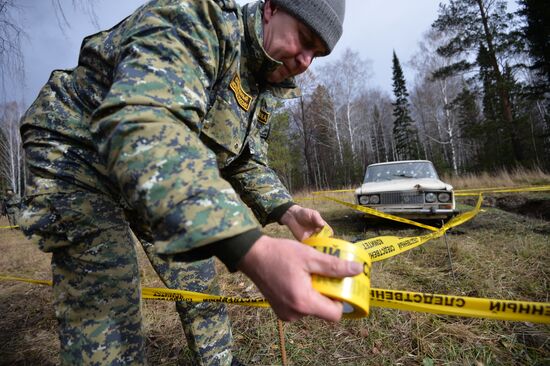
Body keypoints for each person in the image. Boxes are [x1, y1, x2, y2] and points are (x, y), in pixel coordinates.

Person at [19, 0, 360, 365]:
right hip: (78, 150)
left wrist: (286, 209)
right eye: (304, 39)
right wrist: (253, 250)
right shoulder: (197, 19)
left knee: (197, 279)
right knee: (110, 297)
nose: (306, 61)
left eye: (316, 54)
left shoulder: (261, 83)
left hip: (164, 177)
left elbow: (244, 158)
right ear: (271, 8)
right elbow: (148, 122)